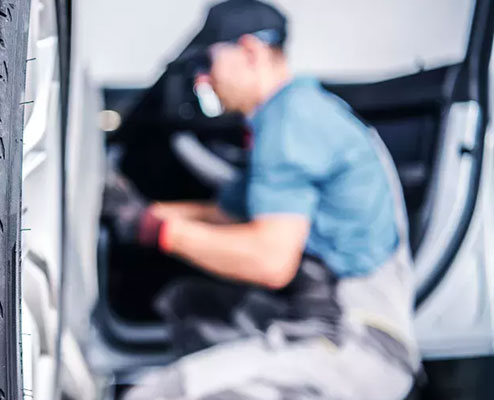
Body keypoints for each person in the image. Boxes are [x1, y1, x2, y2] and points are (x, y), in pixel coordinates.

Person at [103, 1, 421, 398]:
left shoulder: (293, 118)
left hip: (355, 345)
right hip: (319, 324)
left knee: (161, 392)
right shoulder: (291, 115)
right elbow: (223, 213)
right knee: (192, 303)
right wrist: (132, 208)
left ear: (250, 51)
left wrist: (160, 230)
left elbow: (271, 261)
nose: (203, 79)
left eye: (209, 62)